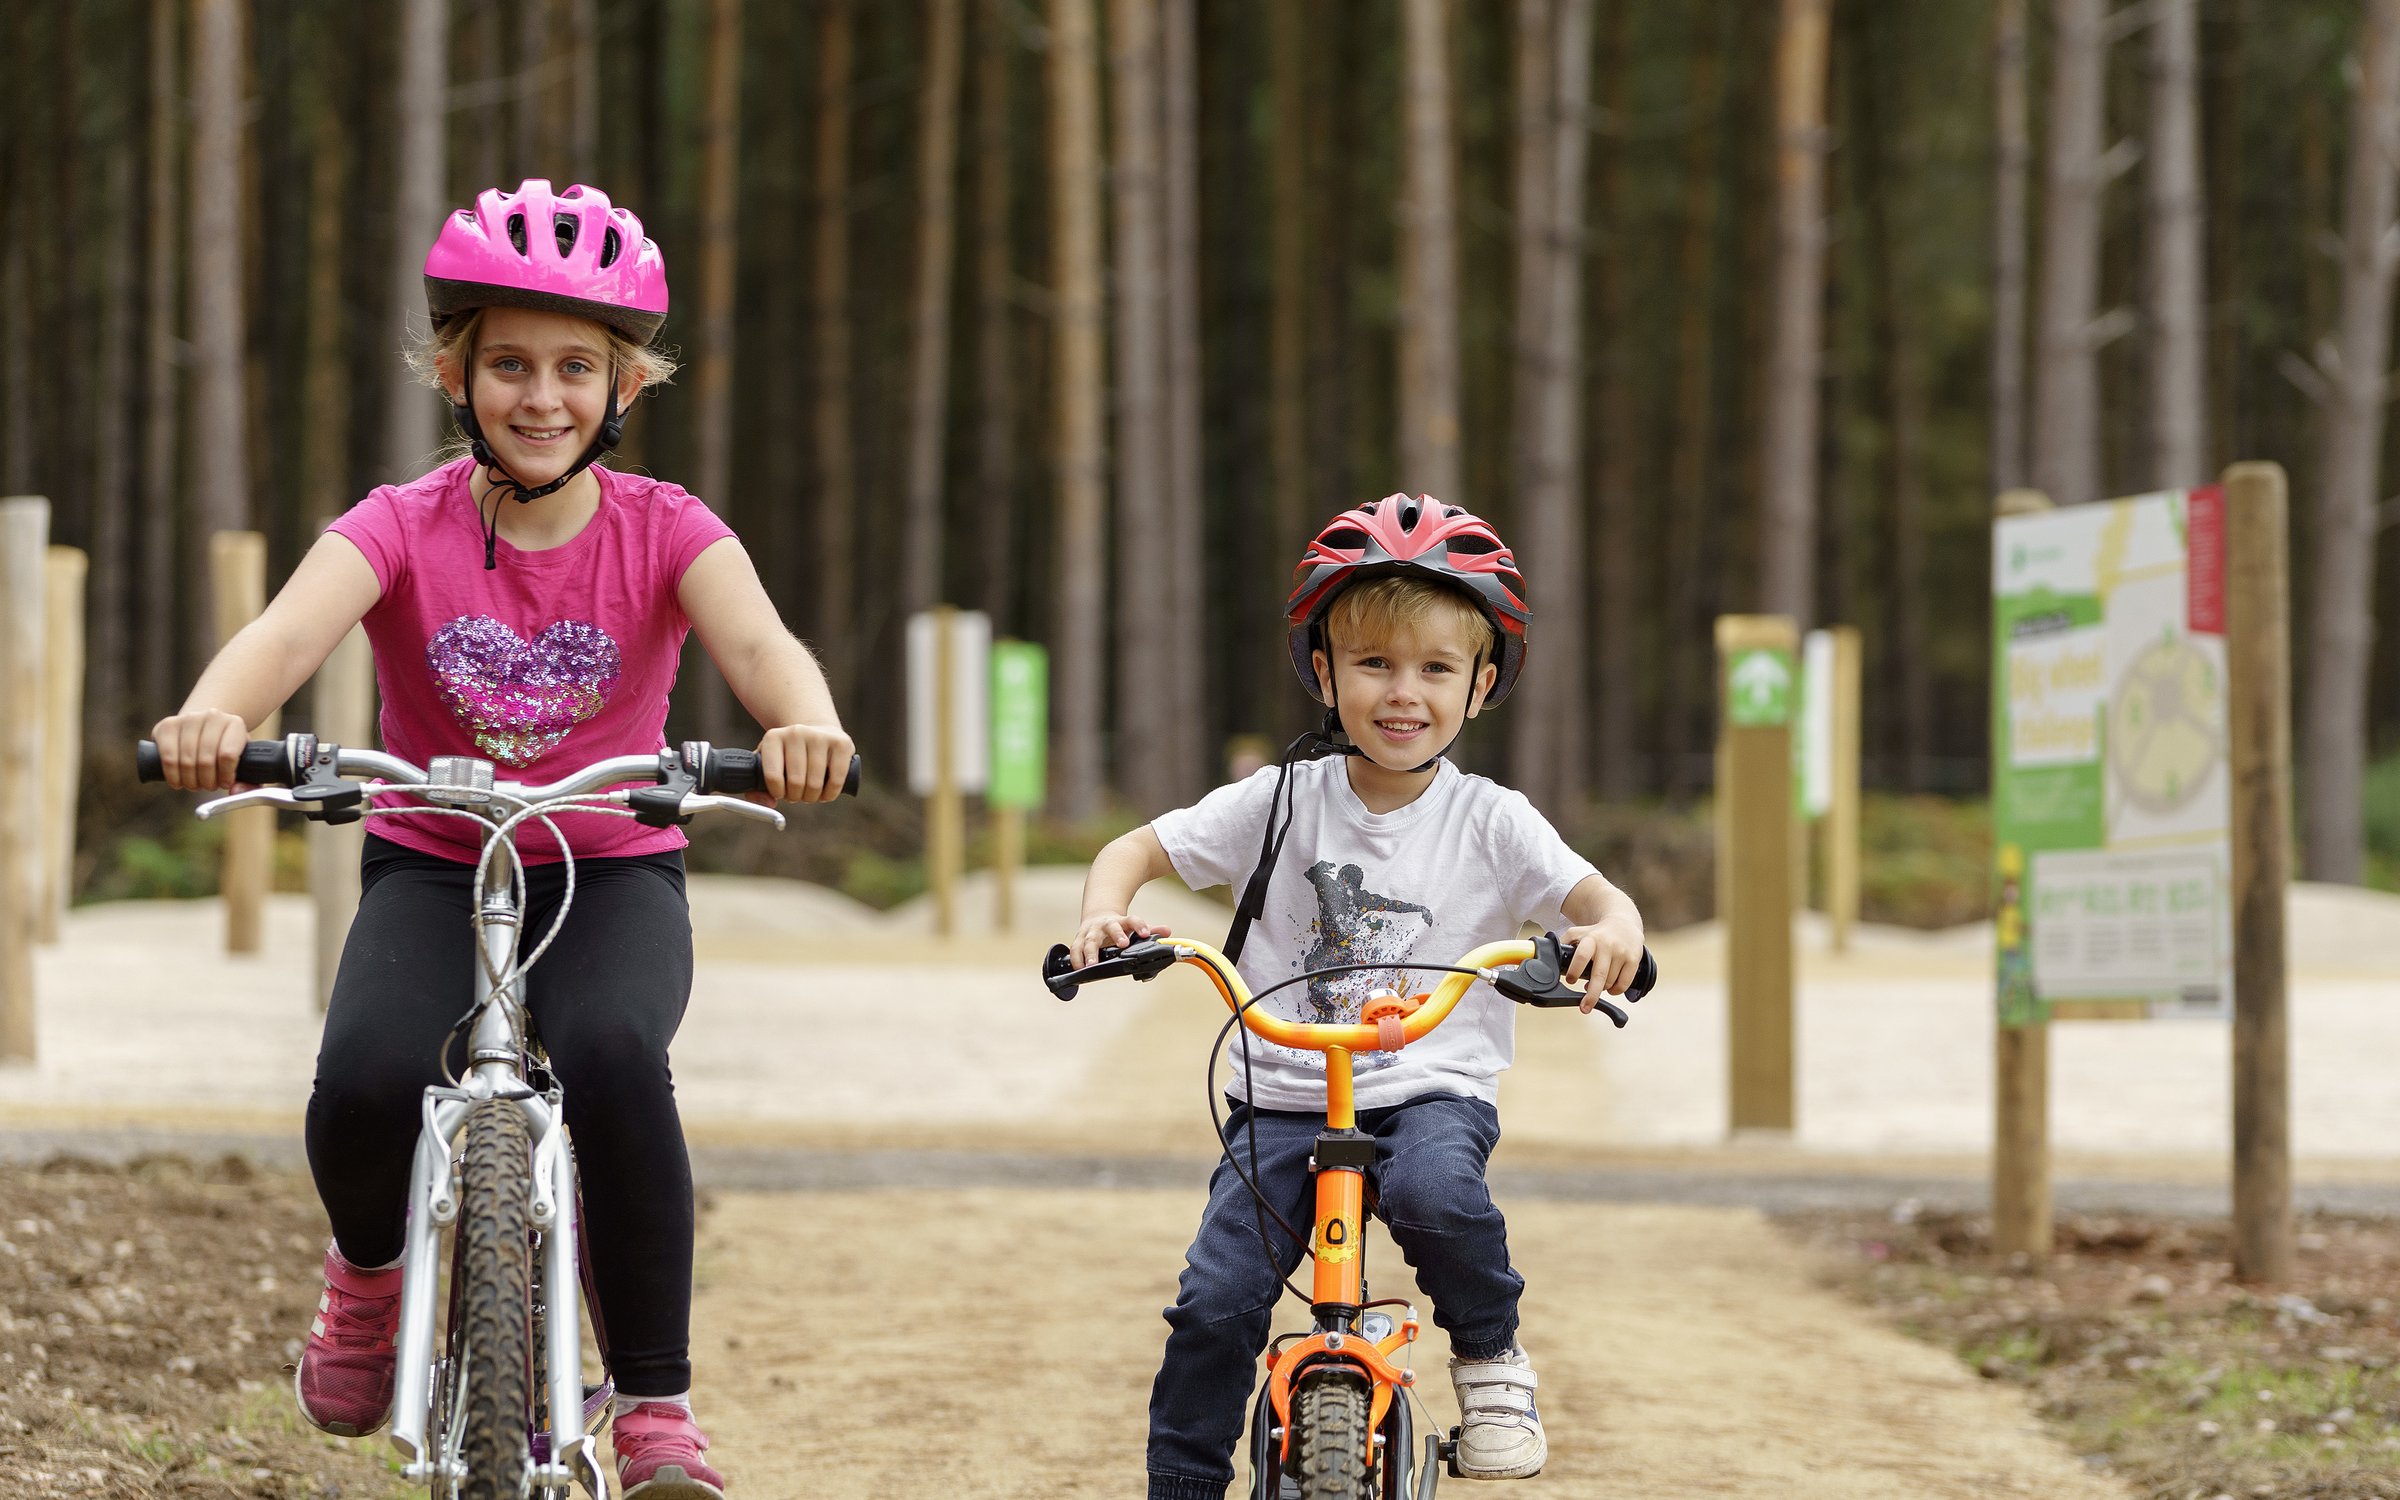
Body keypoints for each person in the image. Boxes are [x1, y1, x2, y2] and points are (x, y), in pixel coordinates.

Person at [150, 179, 852, 1500]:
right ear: (456, 375)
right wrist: (215, 714)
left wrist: (806, 724)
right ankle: (367, 1287)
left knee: (614, 1055)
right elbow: (286, 636)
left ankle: (651, 1401)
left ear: (625, 386)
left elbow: (765, 650)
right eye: (510, 364)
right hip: (434, 856)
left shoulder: (667, 529)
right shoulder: (400, 523)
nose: (543, 397)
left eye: (577, 368)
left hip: (611, 866)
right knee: (361, 1077)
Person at [1065, 495, 1648, 1498]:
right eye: (1374, 663)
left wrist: (1610, 934)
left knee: (1438, 1195)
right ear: (1325, 673)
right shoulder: (1279, 800)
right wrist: (1106, 915)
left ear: (1483, 681)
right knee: (1215, 1303)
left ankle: (1493, 1361)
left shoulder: (1492, 819)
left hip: (1429, 1081)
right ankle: (1183, 1485)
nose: (1403, 692)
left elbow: (1601, 901)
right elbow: (1136, 851)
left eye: (1435, 667)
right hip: (1285, 1091)